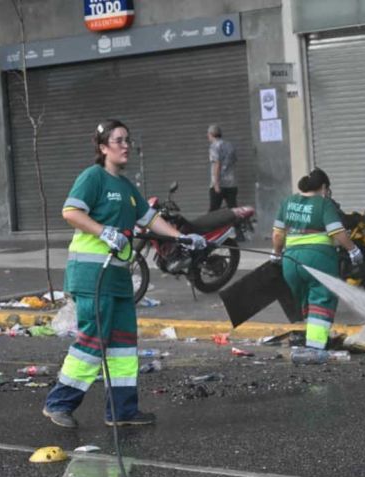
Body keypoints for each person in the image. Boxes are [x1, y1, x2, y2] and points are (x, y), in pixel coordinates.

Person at [42, 119, 206, 429]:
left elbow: (150, 218)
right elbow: (71, 212)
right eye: (118, 140)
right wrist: (104, 232)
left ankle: (121, 410)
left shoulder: (128, 187)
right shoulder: (94, 178)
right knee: (95, 340)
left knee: (122, 346)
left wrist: (181, 237)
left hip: (117, 280)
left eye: (127, 139)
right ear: (103, 148)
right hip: (92, 276)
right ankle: (58, 403)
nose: (126, 145)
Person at [271, 169, 363, 350]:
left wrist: (275, 253)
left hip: (290, 262)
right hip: (319, 260)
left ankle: (312, 338)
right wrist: (353, 250)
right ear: (323, 187)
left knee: (306, 297)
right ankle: (315, 344)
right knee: (321, 299)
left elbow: (277, 234)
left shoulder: (287, 202)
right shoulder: (323, 204)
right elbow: (336, 231)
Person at [207, 124, 238, 211]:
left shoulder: (214, 147)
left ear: (211, 134)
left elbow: (217, 164)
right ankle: (238, 224)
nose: (207, 136)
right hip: (231, 183)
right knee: (233, 211)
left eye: (208, 134)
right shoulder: (230, 145)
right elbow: (233, 161)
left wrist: (216, 184)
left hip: (219, 185)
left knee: (213, 211)